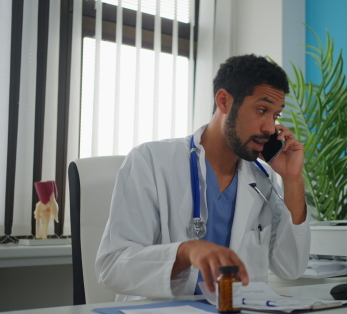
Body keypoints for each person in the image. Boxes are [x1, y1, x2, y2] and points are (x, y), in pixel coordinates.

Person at [95, 54, 311, 301]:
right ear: (223, 101)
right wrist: (185, 252)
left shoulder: (262, 181)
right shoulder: (151, 161)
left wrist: (293, 178)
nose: (270, 128)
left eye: (275, 115)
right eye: (261, 110)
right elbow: (111, 267)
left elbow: (291, 267)